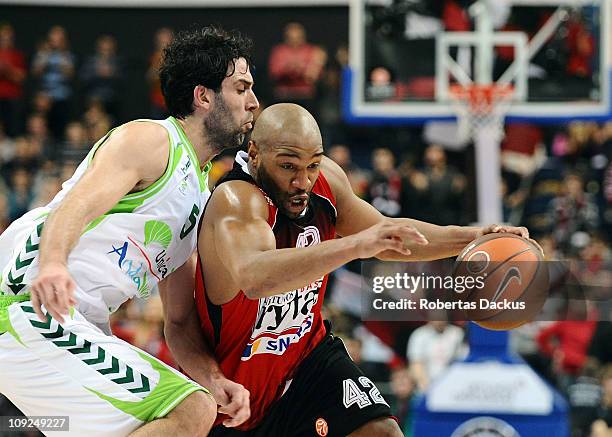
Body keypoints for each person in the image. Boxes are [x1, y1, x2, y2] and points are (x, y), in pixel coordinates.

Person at [164, 103, 534, 436]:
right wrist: (357, 245)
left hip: (307, 362)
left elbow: (391, 236)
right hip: (234, 391)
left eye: (311, 165)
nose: (302, 181)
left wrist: (473, 237)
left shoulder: (325, 182)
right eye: (288, 165)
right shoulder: (236, 201)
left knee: (382, 432)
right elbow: (257, 277)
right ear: (255, 154)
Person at [0, 26, 258, 436]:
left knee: (183, 411)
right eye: (241, 88)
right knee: (190, 411)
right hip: (27, 296)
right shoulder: (152, 140)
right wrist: (51, 264)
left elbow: (178, 322)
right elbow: (75, 205)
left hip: (72, 321)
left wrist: (214, 379)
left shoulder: (198, 195)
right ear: (204, 96)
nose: (254, 102)